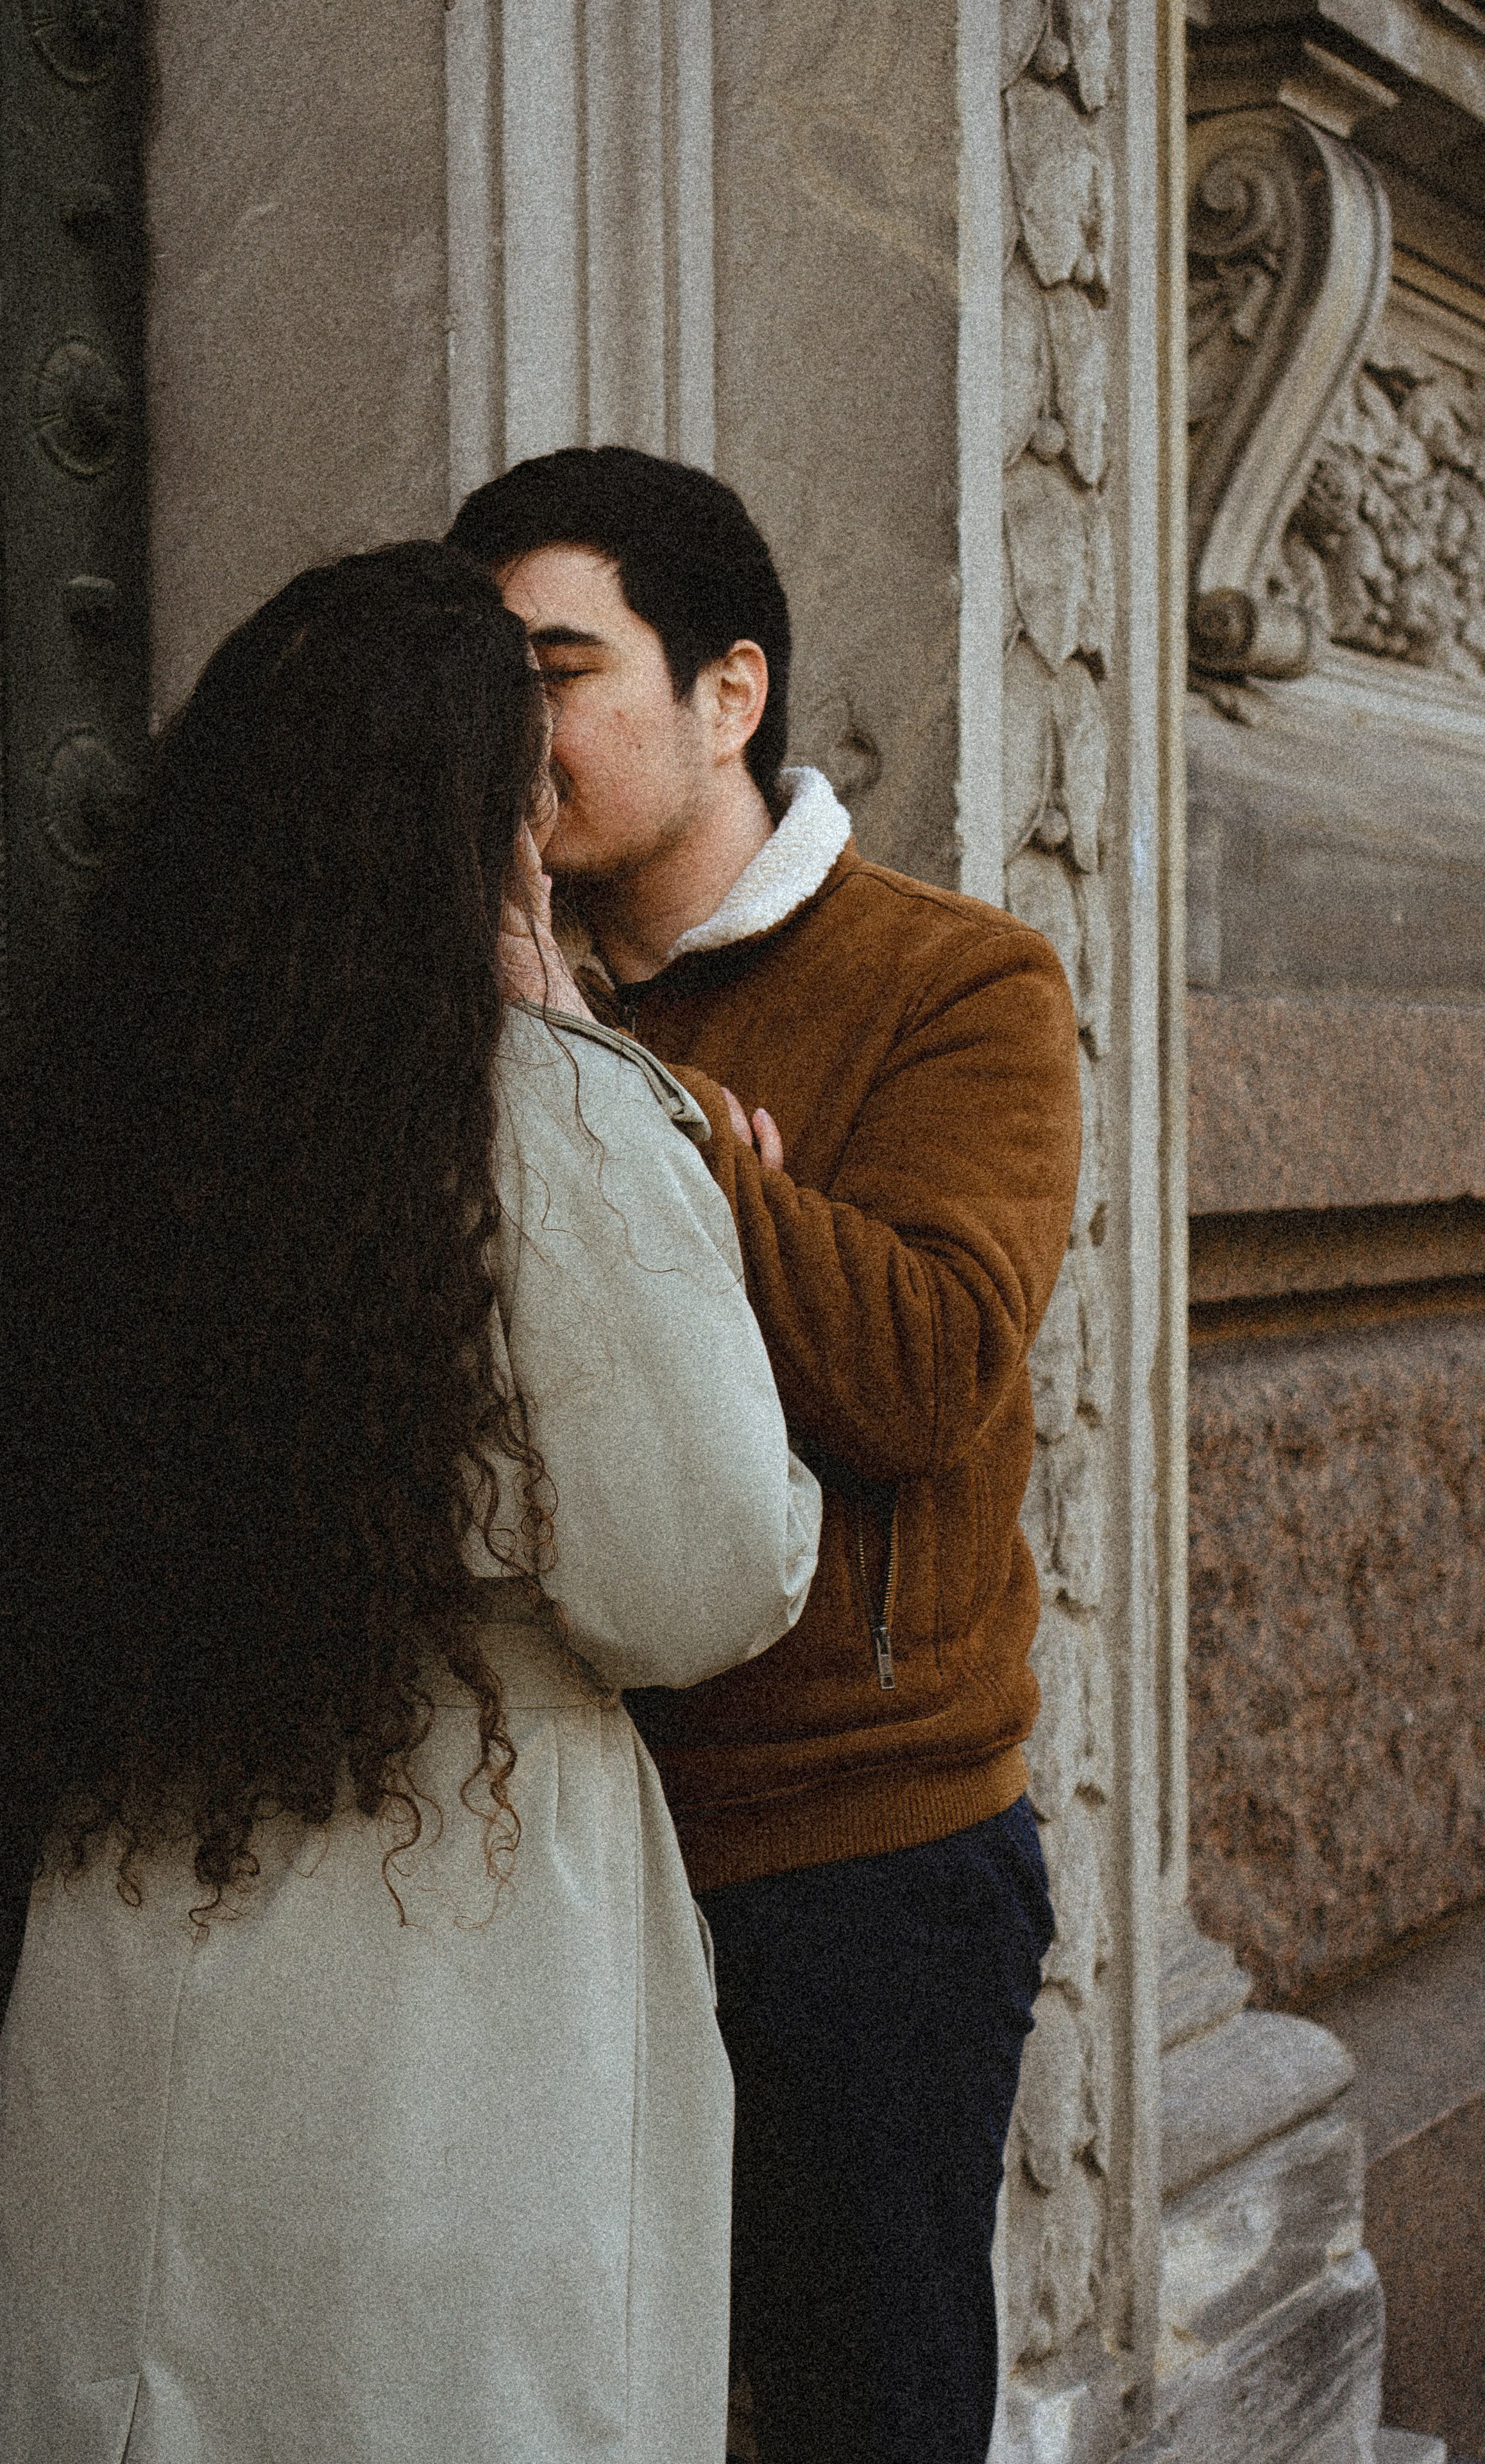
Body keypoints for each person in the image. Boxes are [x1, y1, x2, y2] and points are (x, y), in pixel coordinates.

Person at [0, 542, 820, 2464]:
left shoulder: (107, 1102)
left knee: (137, 2370)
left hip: (140, 1864)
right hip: (456, 1919)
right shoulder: (545, 1123)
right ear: (482, 833)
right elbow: (707, 1577)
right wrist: (590, 1081)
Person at [448, 449, 1083, 2464]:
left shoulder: (959, 981)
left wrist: (609, 1089)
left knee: (858, 2417)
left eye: (558, 667)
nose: (511, 728)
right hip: (536, 1841)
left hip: (852, 1867)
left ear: (729, 693)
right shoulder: (441, 979)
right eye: (483, 676)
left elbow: (923, 1365)